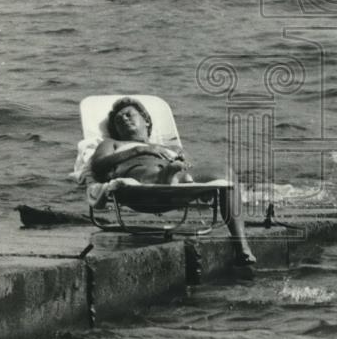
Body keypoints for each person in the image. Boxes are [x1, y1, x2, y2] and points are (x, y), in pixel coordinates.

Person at [90, 97, 255, 266]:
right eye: (118, 120)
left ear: (146, 121)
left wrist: (204, 186)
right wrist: (141, 150)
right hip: (137, 185)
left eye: (128, 115)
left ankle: (242, 246)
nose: (124, 120)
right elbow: (97, 165)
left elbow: (191, 166)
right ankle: (166, 177)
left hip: (176, 186)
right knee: (147, 171)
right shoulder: (112, 143)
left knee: (226, 173)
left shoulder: (173, 149)